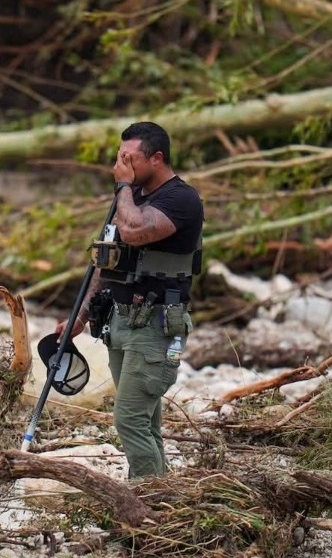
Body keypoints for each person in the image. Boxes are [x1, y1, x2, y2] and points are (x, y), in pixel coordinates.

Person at [56, 121, 204, 479]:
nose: (120, 166)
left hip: (157, 327)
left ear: (156, 158)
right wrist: (81, 315)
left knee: (129, 419)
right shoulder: (131, 198)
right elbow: (106, 261)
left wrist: (123, 186)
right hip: (121, 322)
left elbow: (135, 232)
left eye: (129, 158)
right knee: (146, 422)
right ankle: (162, 496)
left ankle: (144, 498)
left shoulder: (181, 199)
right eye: (119, 158)